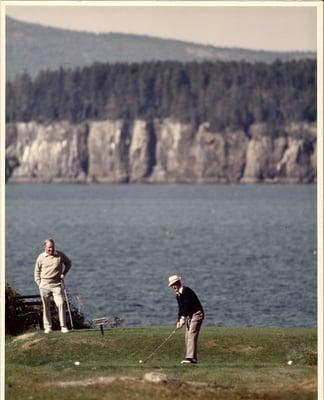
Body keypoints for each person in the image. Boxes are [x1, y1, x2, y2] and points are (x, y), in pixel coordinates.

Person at [34, 238, 72, 333]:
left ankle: (63, 326)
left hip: (57, 284)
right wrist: (39, 283)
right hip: (44, 284)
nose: (51, 249)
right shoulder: (41, 257)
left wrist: (64, 273)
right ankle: (48, 327)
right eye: (49, 247)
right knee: (46, 306)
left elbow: (68, 263)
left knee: (61, 303)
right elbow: (36, 271)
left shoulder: (60, 255)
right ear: (45, 247)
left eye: (52, 247)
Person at [168, 275, 204, 364]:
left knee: (192, 334)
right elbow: (181, 308)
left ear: (178, 283)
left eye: (174, 284)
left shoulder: (186, 291)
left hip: (197, 314)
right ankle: (192, 358)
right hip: (189, 316)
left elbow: (187, 305)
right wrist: (179, 321)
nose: (173, 287)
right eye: (171, 285)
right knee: (187, 335)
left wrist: (183, 318)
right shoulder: (178, 295)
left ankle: (190, 358)